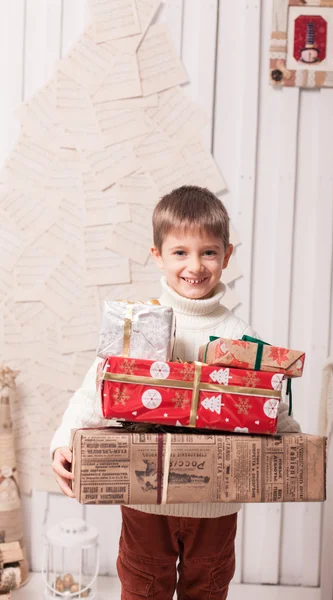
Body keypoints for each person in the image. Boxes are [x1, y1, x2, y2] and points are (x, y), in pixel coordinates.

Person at [51, 185, 301, 600]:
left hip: (217, 504)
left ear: (226, 255)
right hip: (145, 500)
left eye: (208, 252)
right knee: (144, 587)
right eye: (180, 252)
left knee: (207, 588)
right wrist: (63, 441)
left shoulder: (241, 337)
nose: (195, 265)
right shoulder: (138, 324)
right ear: (158, 255)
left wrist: (295, 449)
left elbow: (270, 404)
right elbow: (96, 388)